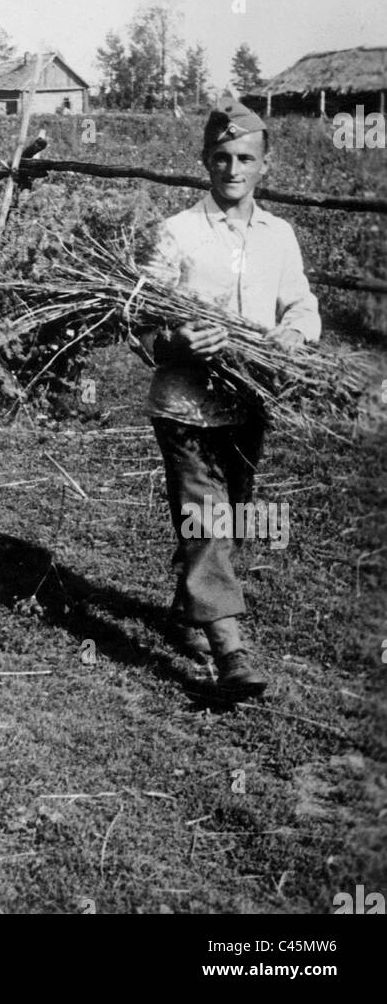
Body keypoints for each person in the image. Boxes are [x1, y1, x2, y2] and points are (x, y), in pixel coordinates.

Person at [138, 101, 321, 698]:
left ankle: (186, 610)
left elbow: (300, 303)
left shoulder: (279, 236)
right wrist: (177, 342)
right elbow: (138, 323)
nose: (232, 168)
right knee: (206, 518)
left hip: (248, 405)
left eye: (245, 158)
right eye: (221, 157)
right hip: (185, 407)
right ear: (204, 161)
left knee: (229, 517)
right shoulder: (178, 232)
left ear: (264, 164)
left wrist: (293, 334)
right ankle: (232, 652)